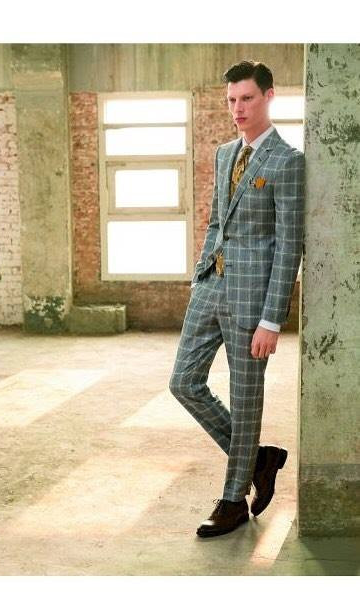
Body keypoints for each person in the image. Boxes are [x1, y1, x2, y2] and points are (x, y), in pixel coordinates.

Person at [168, 60, 305, 538]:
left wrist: (272, 319)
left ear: (269, 96)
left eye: (246, 98)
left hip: (252, 301)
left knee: (245, 399)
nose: (237, 109)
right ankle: (259, 458)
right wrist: (200, 275)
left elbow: (289, 245)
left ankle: (232, 501)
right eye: (231, 100)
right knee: (183, 382)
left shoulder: (288, 161)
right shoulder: (226, 154)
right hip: (211, 286)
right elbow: (216, 221)